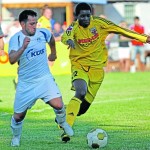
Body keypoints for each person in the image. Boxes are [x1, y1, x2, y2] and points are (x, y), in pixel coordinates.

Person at [61, 2, 150, 142]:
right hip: (80, 66)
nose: (85, 18)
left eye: (88, 15)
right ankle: (66, 130)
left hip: (97, 70)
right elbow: (65, 36)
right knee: (81, 92)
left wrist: (144, 38)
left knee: (83, 109)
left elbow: (120, 30)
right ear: (76, 16)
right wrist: (69, 40)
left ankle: (62, 114)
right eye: (82, 16)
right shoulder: (74, 26)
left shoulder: (100, 23)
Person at [8, 10, 73, 147]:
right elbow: (12, 60)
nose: (34, 26)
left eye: (35, 23)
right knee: (19, 116)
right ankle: (16, 137)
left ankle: (62, 123)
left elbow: (51, 39)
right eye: (31, 24)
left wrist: (53, 54)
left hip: (44, 79)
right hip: (26, 83)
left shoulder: (42, 32)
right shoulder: (16, 39)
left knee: (59, 105)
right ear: (22, 24)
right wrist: (23, 48)